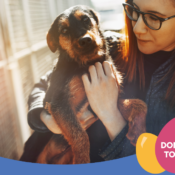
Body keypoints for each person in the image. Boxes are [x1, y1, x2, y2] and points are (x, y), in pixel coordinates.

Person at [20, 0, 175, 163]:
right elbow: (44, 84)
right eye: (134, 11)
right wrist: (46, 119)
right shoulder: (109, 44)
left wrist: (110, 115)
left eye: (154, 18)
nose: (136, 28)